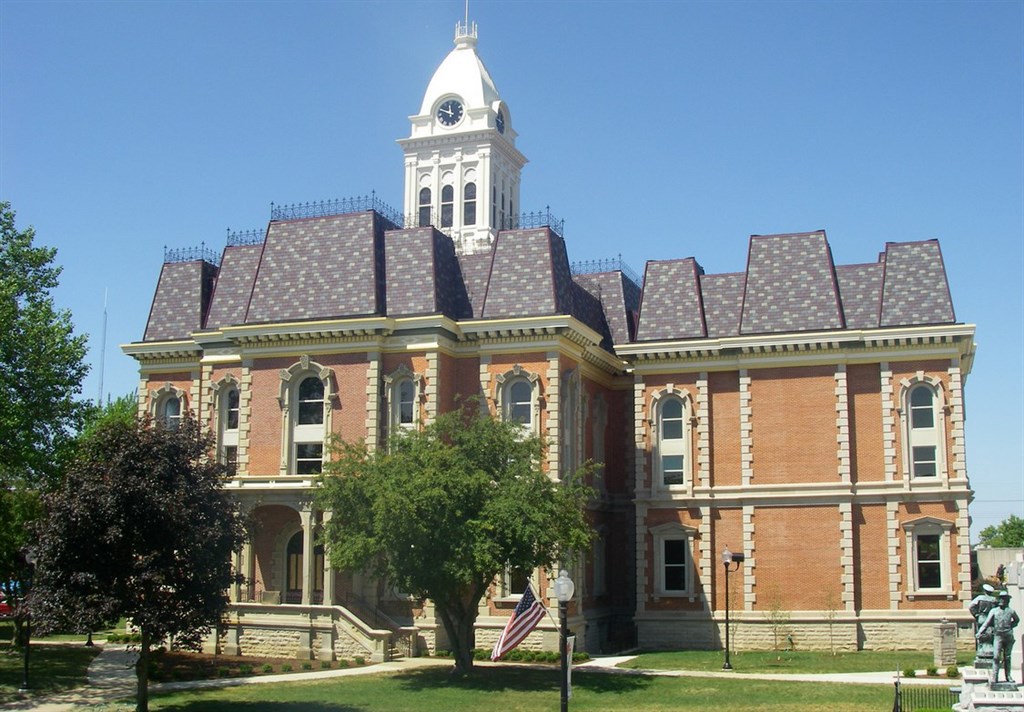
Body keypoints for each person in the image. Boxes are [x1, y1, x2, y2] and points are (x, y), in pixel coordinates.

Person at [977, 591, 1020, 683]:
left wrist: (1010, 626)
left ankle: (1008, 676)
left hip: (1008, 636)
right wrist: (980, 632)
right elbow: (986, 623)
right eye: (1000, 598)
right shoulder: (994, 611)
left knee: (1007, 657)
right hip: (998, 636)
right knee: (996, 657)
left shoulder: (1011, 611)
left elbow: (1017, 620)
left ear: (1007, 600)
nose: (1001, 600)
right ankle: (995, 677)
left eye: (1003, 598)